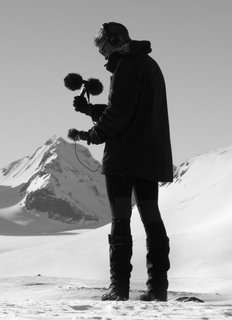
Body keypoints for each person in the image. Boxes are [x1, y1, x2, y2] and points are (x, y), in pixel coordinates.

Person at [69, 22, 173, 301]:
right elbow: (133, 110)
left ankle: (119, 288)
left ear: (115, 40)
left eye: (103, 46)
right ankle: (158, 288)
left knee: (120, 218)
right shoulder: (149, 64)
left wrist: (92, 134)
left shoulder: (126, 66)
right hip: (150, 155)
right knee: (152, 218)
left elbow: (119, 116)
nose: (102, 54)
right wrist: (92, 111)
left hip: (124, 157)